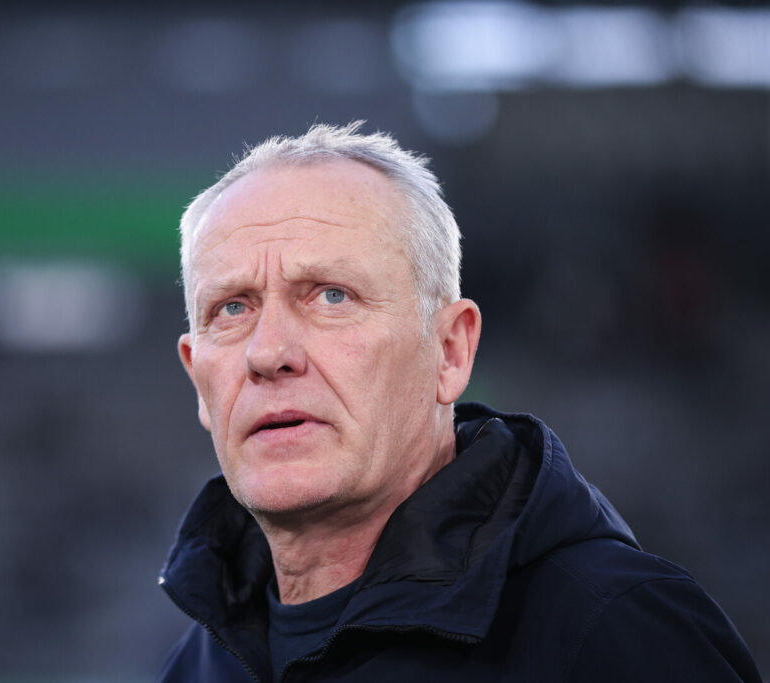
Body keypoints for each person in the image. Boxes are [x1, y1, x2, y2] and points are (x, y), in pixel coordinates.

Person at [156, 122, 761, 682]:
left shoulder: (615, 632)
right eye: (231, 309)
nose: (268, 352)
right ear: (196, 378)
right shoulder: (198, 665)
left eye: (331, 296)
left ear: (449, 352)